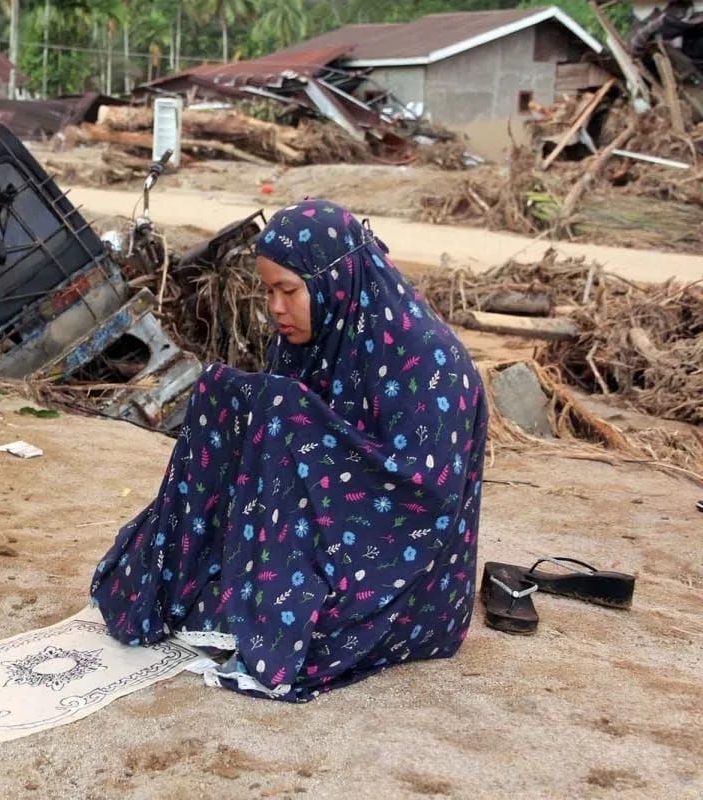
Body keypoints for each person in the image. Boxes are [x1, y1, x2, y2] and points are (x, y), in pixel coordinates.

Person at [90, 199, 488, 702]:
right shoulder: (313, 338)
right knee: (223, 391)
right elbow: (274, 457)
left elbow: (424, 495)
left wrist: (297, 422)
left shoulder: (429, 361)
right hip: (318, 527)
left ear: (335, 280)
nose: (276, 307)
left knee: (279, 406)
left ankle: (279, 597)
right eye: (268, 291)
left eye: (289, 291)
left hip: (406, 569)